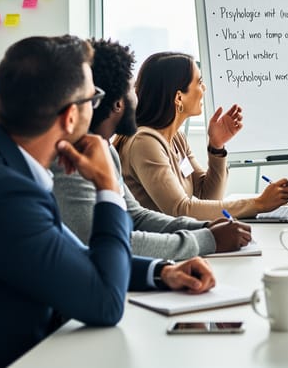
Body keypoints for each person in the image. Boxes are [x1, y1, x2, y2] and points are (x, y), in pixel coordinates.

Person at [0, 36, 215, 367]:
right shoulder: (5, 193)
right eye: (93, 99)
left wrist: (162, 271)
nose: (97, 107)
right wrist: (107, 185)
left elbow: (74, 257)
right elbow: (106, 304)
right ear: (69, 117)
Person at [52, 39, 252, 259]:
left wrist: (206, 227)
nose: (138, 97)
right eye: (132, 90)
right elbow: (108, 242)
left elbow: (134, 216)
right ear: (118, 103)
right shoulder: (69, 160)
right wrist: (208, 238)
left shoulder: (105, 150)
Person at [116, 52, 288, 221]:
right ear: (178, 98)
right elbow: (181, 210)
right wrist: (258, 204)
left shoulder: (177, 138)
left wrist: (217, 146)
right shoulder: (144, 142)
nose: (204, 88)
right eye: (199, 82)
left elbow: (207, 196)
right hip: (157, 248)